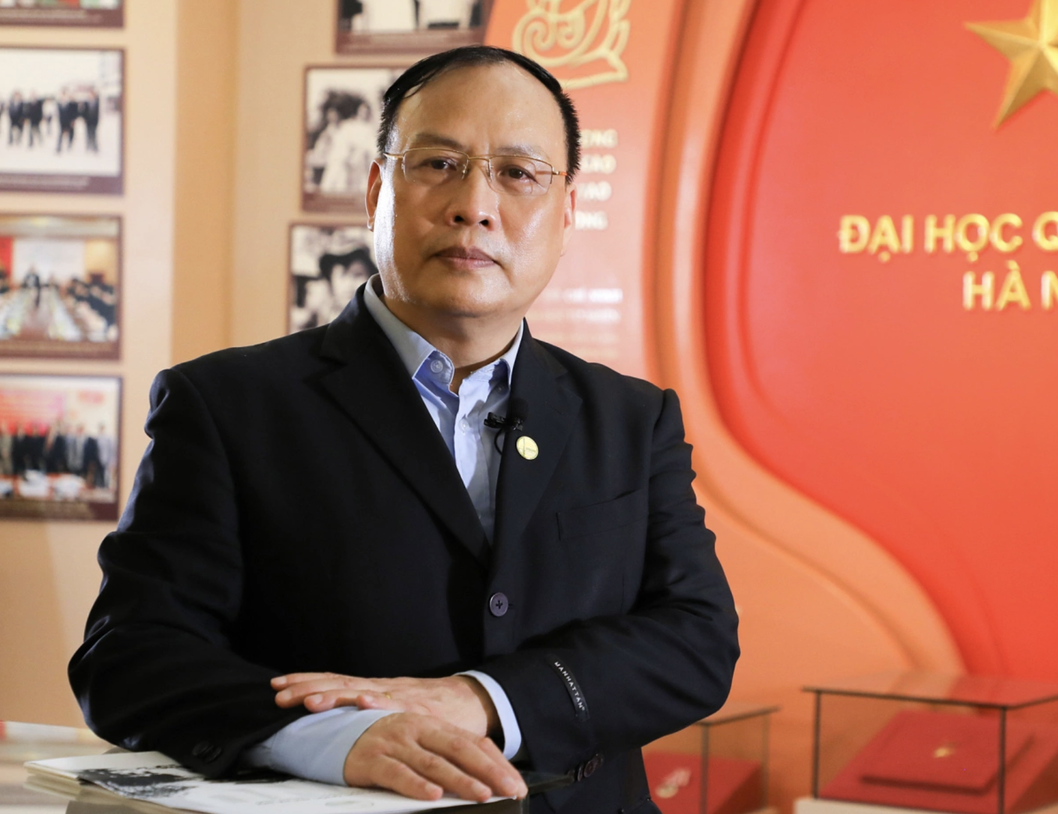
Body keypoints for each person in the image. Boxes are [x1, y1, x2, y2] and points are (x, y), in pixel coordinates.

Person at [69, 46, 738, 814]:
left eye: (518, 174)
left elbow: (696, 640)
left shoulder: (632, 419)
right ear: (376, 190)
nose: (474, 206)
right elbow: (129, 658)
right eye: (439, 164)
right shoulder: (225, 405)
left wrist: (483, 698)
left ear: (566, 214)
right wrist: (335, 739)